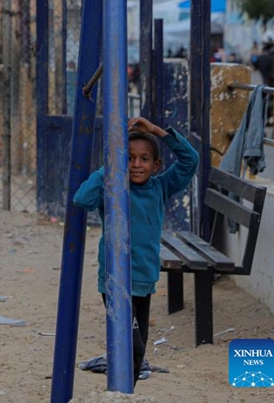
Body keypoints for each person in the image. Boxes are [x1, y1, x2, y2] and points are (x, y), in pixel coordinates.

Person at [73, 117, 199, 386]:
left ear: (156, 165)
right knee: (134, 348)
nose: (136, 164)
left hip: (144, 279)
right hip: (115, 280)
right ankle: (120, 392)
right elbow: (82, 199)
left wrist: (155, 131)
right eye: (129, 158)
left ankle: (122, 387)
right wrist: (110, 166)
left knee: (136, 349)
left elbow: (191, 160)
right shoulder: (113, 188)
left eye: (144, 159)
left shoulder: (161, 187)